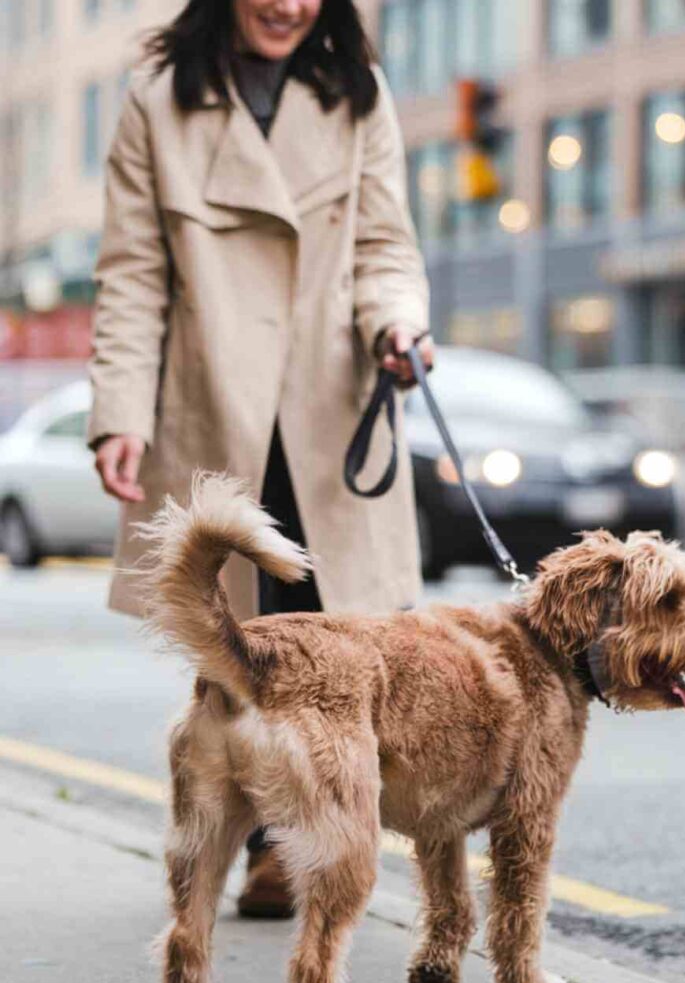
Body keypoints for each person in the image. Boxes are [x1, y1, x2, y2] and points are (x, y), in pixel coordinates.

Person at [87, 0, 434, 917]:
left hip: (328, 402)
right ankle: (239, 838)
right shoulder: (158, 100)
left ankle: (301, 840)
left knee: (335, 641)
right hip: (216, 405)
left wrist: (398, 322)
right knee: (234, 640)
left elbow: (384, 242)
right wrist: (119, 411)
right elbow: (131, 271)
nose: (288, 5)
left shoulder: (356, 94)